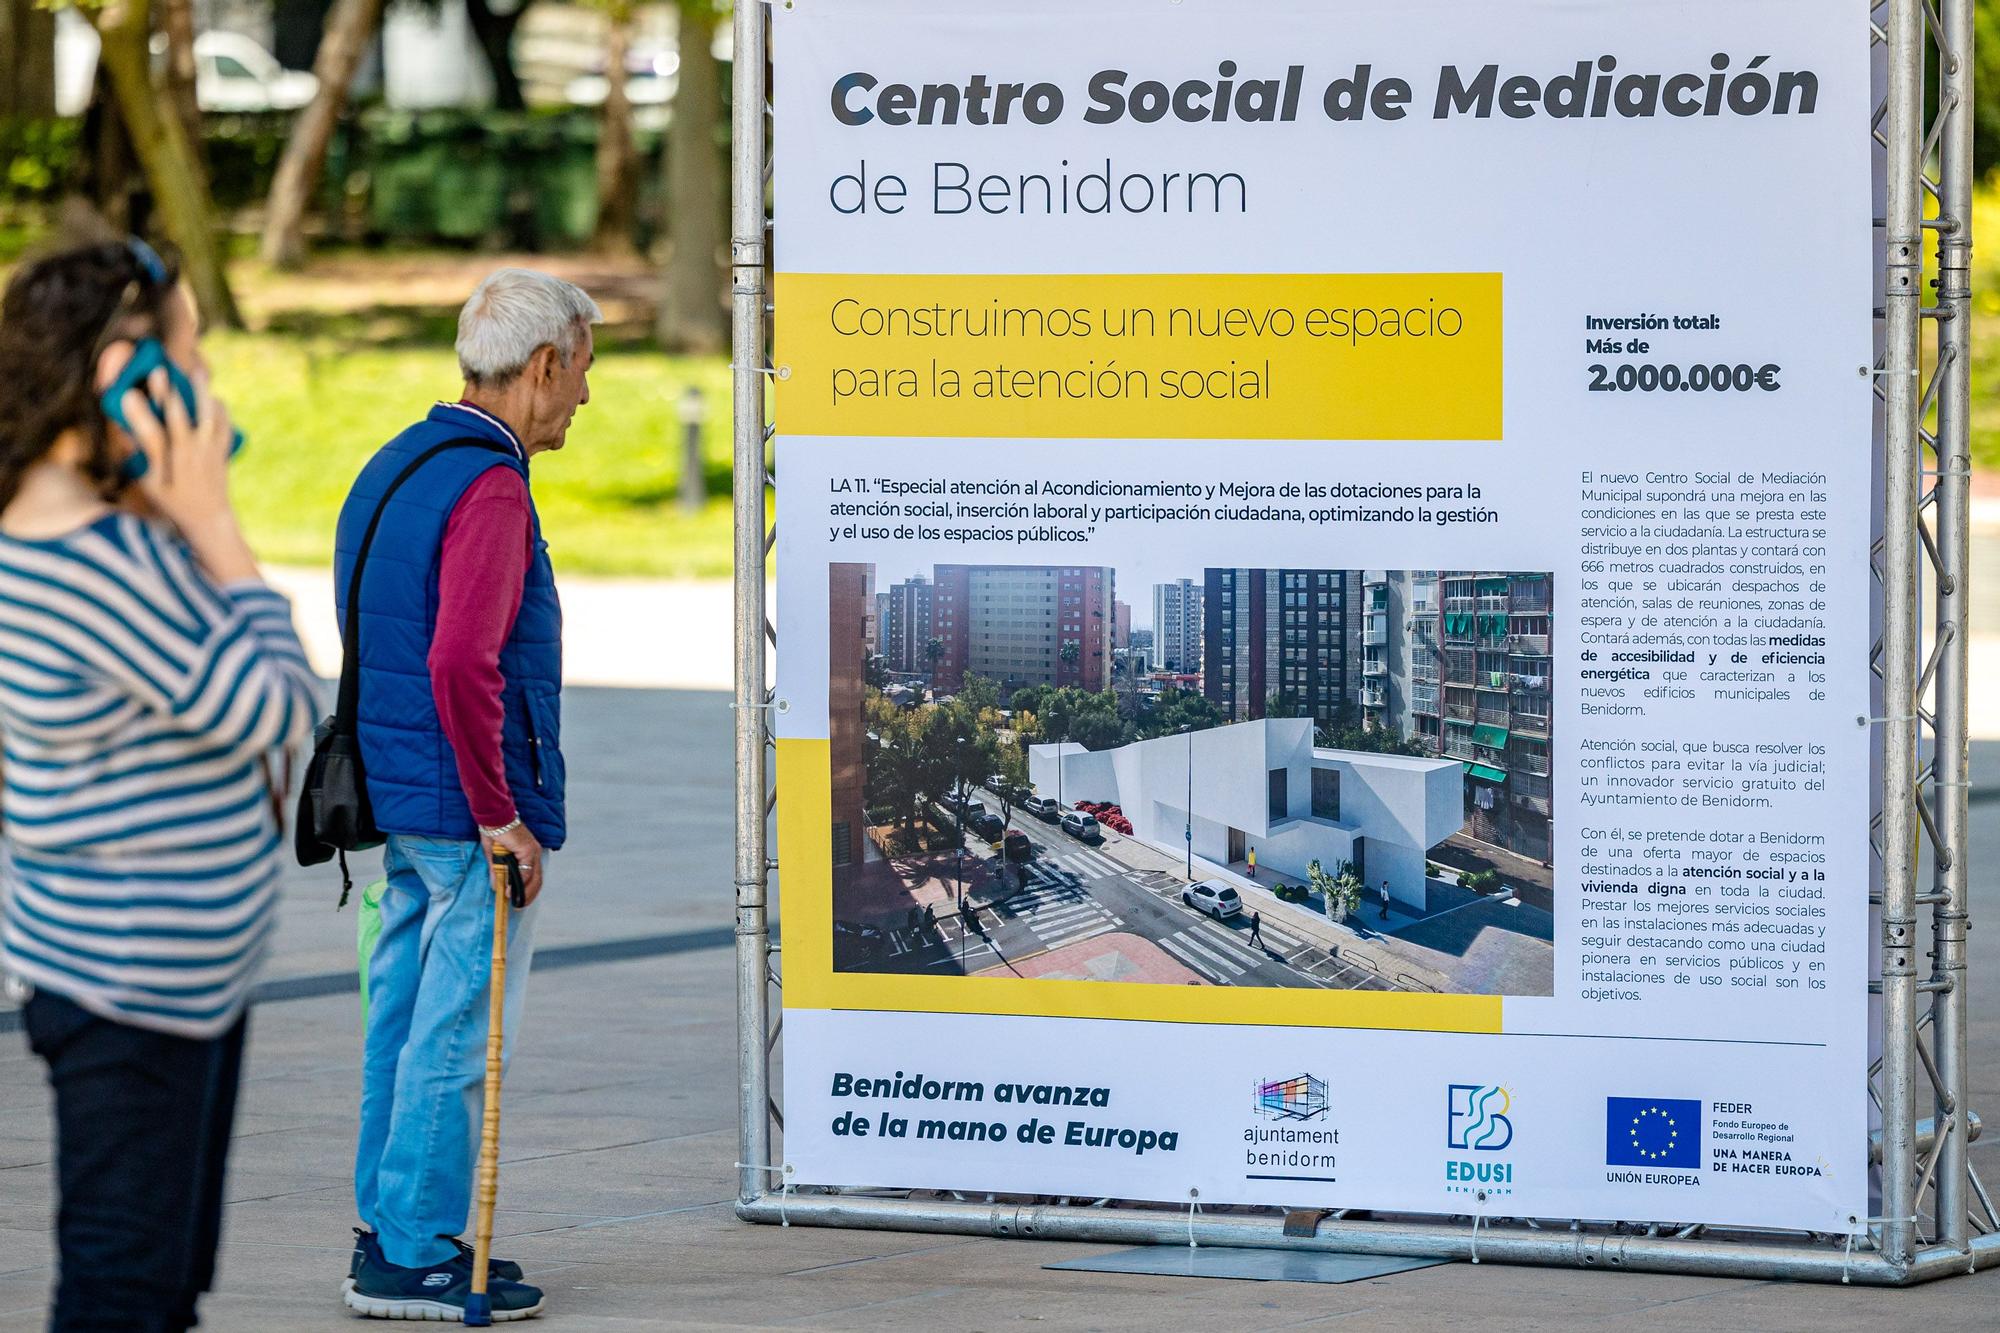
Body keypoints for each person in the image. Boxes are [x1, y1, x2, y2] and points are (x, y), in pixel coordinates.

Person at [0, 237, 319, 1329]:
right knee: (127, 1287)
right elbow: (282, 713)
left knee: (158, 1278)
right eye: (192, 361)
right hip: (134, 983)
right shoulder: (99, 560)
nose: (209, 391)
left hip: (146, 975)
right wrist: (216, 524)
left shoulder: (78, 534)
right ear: (122, 380)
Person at [341, 270, 598, 1321]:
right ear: (541, 367)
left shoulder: (398, 461)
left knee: (400, 1016)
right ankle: (412, 1249)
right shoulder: (489, 486)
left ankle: (387, 1222)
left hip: (400, 791)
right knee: (455, 1028)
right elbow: (460, 660)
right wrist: (501, 812)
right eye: (580, 373)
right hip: (460, 804)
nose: (584, 396)